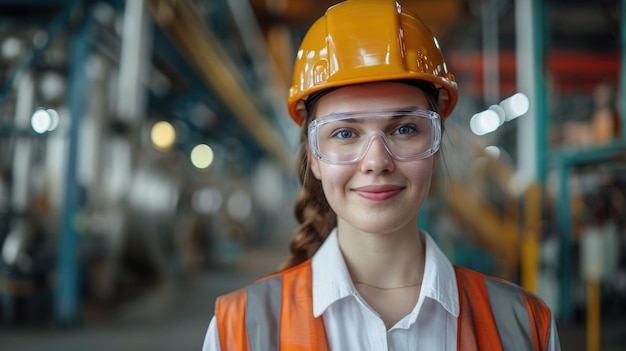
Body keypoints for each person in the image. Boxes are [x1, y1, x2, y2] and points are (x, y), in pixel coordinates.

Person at [202, 0, 561, 349]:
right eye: (344, 133)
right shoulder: (237, 331)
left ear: (436, 147)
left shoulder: (524, 326)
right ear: (314, 157)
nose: (376, 161)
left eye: (404, 129)